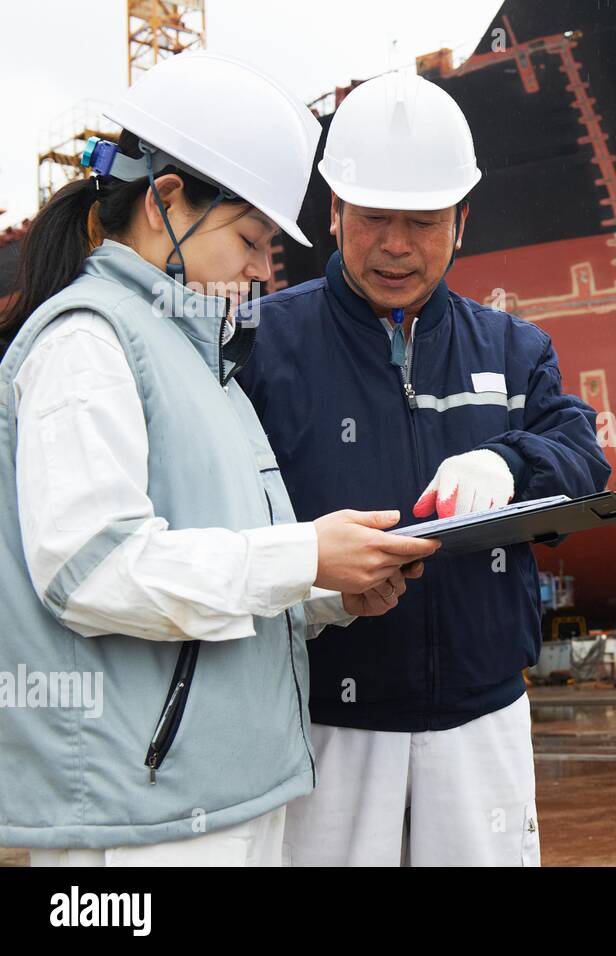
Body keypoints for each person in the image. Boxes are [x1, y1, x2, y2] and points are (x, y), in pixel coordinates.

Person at [0, 52, 438, 865]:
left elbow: (221, 574)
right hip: (144, 817)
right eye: (250, 237)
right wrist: (304, 551)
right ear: (166, 201)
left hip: (232, 791)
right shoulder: (88, 343)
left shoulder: (202, 362)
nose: (262, 267)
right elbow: (90, 571)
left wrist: (328, 589)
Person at [236, 73, 611, 866]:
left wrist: (506, 460)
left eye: (423, 221)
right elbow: (216, 516)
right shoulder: (260, 346)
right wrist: (309, 577)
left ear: (462, 223)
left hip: (483, 719)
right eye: (373, 218)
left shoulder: (513, 348)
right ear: (334, 211)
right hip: (326, 721)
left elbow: (582, 456)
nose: (396, 245)